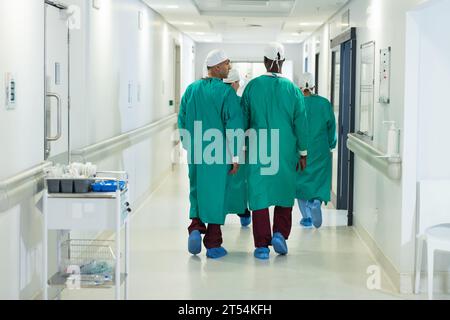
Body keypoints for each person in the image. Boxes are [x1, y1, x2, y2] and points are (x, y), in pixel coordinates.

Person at [241, 43, 309, 260]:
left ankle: (262, 245)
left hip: (258, 150)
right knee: (284, 191)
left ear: (264, 62)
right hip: (285, 149)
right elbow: (301, 124)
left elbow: (243, 118)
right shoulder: (293, 90)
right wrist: (303, 152)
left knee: (259, 195)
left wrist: (239, 149)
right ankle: (280, 233)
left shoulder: (252, 87)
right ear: (282, 63)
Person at [178, 49, 244, 259]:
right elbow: (234, 125)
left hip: (197, 152)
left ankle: (196, 227)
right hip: (219, 154)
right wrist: (235, 156)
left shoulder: (191, 90)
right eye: (227, 64)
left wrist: (189, 146)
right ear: (216, 67)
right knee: (217, 194)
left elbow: (182, 120)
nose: (229, 67)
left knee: (196, 189)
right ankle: (213, 243)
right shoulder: (226, 93)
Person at [296, 72, 337, 229]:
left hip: (300, 151)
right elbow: (331, 127)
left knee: (300, 184)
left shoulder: (295, 104)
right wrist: (331, 144)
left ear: (299, 87)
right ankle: (316, 202)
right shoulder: (324, 104)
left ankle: (306, 217)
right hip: (320, 150)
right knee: (319, 181)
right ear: (313, 86)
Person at [224, 69, 252, 227]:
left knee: (222, 181)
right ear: (234, 83)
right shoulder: (240, 102)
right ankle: (243, 213)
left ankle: (220, 212)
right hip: (239, 148)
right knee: (240, 181)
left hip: (215, 148)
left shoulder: (215, 99)